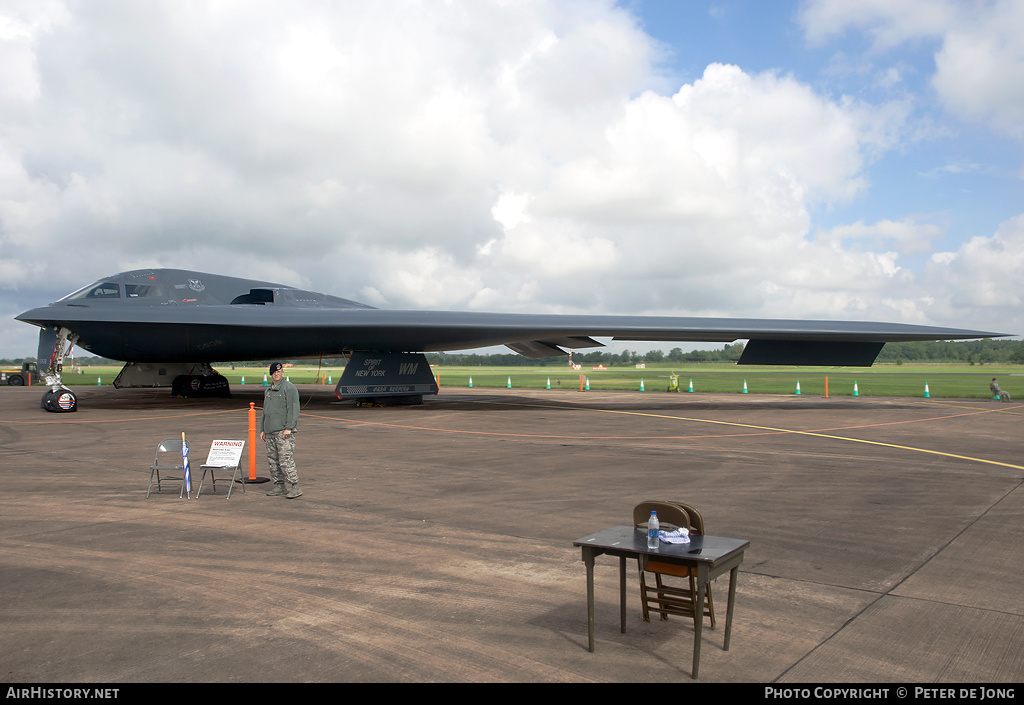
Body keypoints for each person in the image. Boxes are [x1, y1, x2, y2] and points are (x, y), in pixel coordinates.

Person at [260, 362, 302, 498]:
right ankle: (279, 485)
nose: (277, 374)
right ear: (271, 374)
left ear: (282, 372)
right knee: (273, 460)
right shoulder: (268, 391)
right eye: (274, 372)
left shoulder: (289, 388)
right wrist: (262, 429)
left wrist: (289, 428)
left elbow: (294, 409)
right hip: (270, 431)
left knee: (285, 459)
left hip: (282, 431)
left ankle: (295, 486)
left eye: (279, 372)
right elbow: (265, 411)